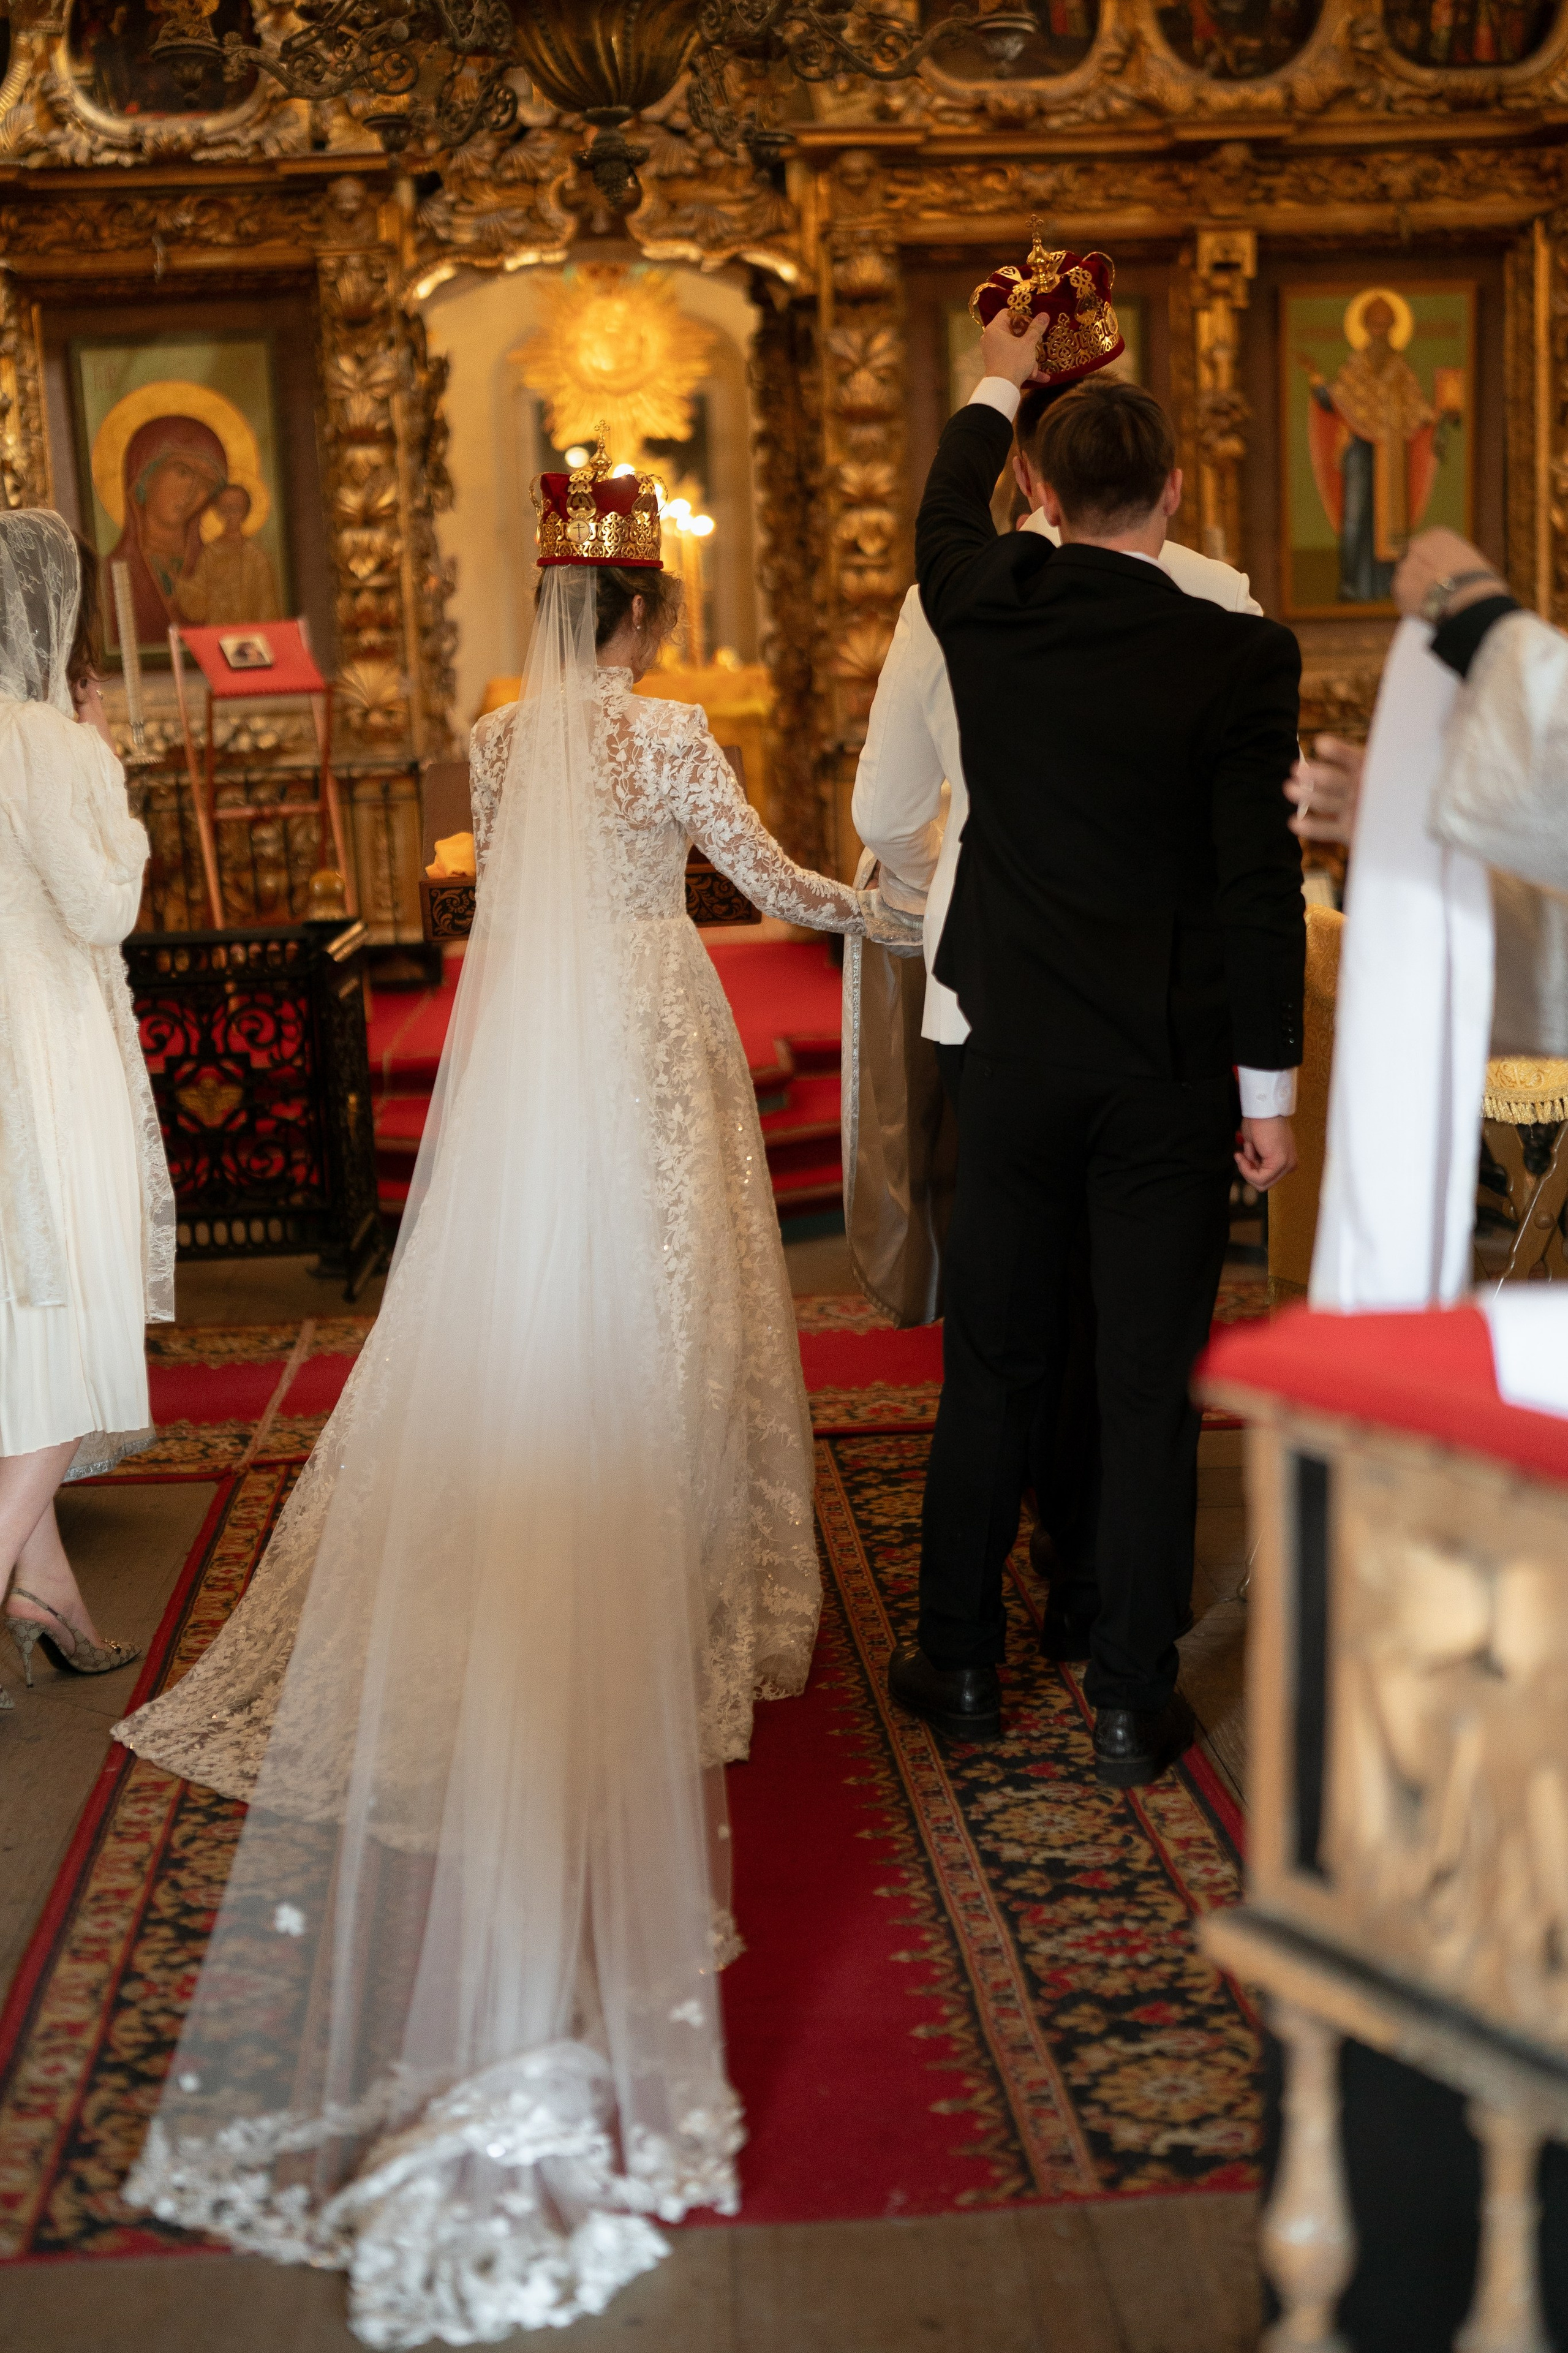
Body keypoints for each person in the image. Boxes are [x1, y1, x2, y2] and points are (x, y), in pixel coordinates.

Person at [111, 439, 910, 2343]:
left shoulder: (494, 741)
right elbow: (772, 884)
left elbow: (501, 901)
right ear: (647, 607)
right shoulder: (671, 736)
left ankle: (552, 1518)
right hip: (653, 1025)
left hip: (537, 1045)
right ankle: (675, 1564)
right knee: (677, 1297)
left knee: (551, 1304)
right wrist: (905, 909)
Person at [894, 311, 1305, 1786]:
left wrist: (997, 373)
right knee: (1145, 1379)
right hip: (1168, 1071)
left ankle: (957, 1661)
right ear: (1175, 493)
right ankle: (1129, 1696)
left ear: (1041, 495)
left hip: (1012, 1056)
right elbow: (1257, 884)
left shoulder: (986, 604)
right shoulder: (1240, 654)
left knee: (992, 1361)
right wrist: (1267, 1092)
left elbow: (942, 510)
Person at [0, 510, 173, 1712]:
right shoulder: (54, 744)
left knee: (25, 1317)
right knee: (76, 1311)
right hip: (47, 1054)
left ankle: (46, 1592)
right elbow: (105, 905)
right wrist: (109, 769)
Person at [103, 414, 229, 647]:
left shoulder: (218, 566)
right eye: (182, 472)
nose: (192, 491)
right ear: (145, 476)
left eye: (207, 483)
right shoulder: (110, 574)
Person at [173, 482, 281, 626]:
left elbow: (267, 605)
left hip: (249, 633)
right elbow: (199, 597)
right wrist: (180, 585)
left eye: (236, 509)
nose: (231, 515)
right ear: (219, 512)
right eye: (226, 509)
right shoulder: (211, 553)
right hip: (217, 629)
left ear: (246, 512)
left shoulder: (256, 557)